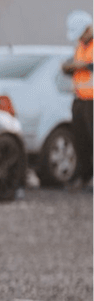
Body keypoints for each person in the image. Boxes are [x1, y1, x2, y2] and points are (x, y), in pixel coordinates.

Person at [61, 10, 94, 189]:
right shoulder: (80, 46)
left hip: (93, 101)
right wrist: (71, 67)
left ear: (88, 29)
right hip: (80, 100)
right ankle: (84, 176)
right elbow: (70, 66)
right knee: (81, 140)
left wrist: (83, 66)